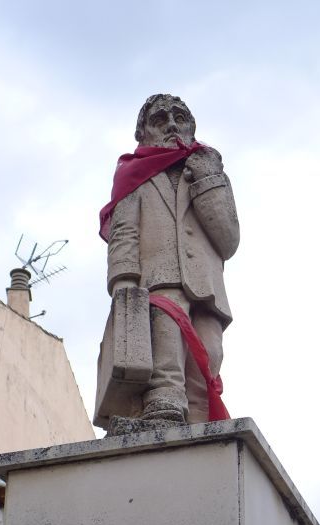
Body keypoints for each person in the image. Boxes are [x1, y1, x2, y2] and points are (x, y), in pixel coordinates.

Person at [99, 94, 240, 424]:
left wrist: (207, 180)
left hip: (206, 283)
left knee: (209, 352)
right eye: (160, 120)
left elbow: (229, 240)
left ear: (192, 126)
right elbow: (124, 233)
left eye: (180, 118)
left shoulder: (210, 171)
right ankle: (163, 405)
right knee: (166, 344)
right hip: (157, 279)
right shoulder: (134, 176)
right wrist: (122, 282)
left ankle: (199, 421)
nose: (172, 125)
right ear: (143, 132)